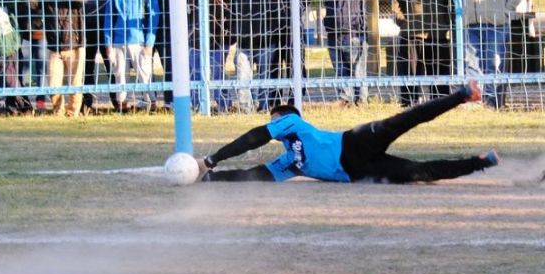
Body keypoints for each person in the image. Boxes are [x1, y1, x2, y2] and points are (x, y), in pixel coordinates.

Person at [197, 80, 499, 184]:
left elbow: (254, 138)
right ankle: (481, 161)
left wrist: (212, 160)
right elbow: (255, 176)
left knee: (404, 120)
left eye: (273, 118)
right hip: (359, 172)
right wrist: (212, 179)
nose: (272, 121)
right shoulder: (288, 163)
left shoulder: (293, 123)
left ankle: (462, 95)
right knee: (418, 172)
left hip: (352, 143)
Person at [463, 0, 524, 109]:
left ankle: (494, 103)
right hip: (471, 25)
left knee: (493, 63)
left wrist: (505, 12)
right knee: (471, 64)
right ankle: (474, 102)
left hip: (496, 25)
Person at [304, 0, 369, 105]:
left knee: (357, 70)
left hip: (354, 33)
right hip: (333, 32)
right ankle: (345, 99)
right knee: (340, 69)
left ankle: (362, 100)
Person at [393, 0, 453, 106]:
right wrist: (403, 21)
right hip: (413, 36)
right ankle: (409, 102)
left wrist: (448, 24)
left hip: (438, 36)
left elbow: (450, 4)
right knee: (410, 73)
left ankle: (441, 102)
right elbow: (396, 4)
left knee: (440, 73)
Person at [104, 0, 160, 111]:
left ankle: (151, 103)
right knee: (120, 73)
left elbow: (154, 18)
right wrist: (108, 42)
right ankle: (122, 105)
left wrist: (149, 42)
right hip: (118, 40)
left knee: (144, 72)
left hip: (138, 40)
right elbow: (108, 18)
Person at [230, 0, 283, 113]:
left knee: (265, 76)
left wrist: (274, 38)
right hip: (244, 44)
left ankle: (264, 106)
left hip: (266, 43)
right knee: (243, 76)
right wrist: (235, 35)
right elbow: (233, 16)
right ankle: (245, 108)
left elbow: (279, 19)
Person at [187, 0, 235, 113]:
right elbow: (187, 14)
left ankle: (223, 104)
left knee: (217, 74)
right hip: (196, 40)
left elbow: (234, 16)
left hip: (220, 40)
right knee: (195, 74)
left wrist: (230, 38)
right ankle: (196, 105)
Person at [76, 0, 117, 113]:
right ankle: (87, 103)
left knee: (111, 65)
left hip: (105, 29)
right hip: (87, 29)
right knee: (88, 67)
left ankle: (117, 101)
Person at [42, 0, 86, 117]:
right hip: (55, 48)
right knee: (54, 84)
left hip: (75, 46)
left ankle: (72, 112)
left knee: (75, 83)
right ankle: (58, 111)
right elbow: (32, 1)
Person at [140, 0, 172, 111]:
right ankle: (147, 100)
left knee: (169, 65)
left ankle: (170, 101)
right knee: (144, 66)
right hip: (145, 29)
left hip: (165, 28)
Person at [19, 0, 49, 112]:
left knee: (41, 67)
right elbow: (23, 4)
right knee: (23, 67)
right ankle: (23, 101)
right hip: (24, 32)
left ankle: (41, 100)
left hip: (40, 30)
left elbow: (33, 4)